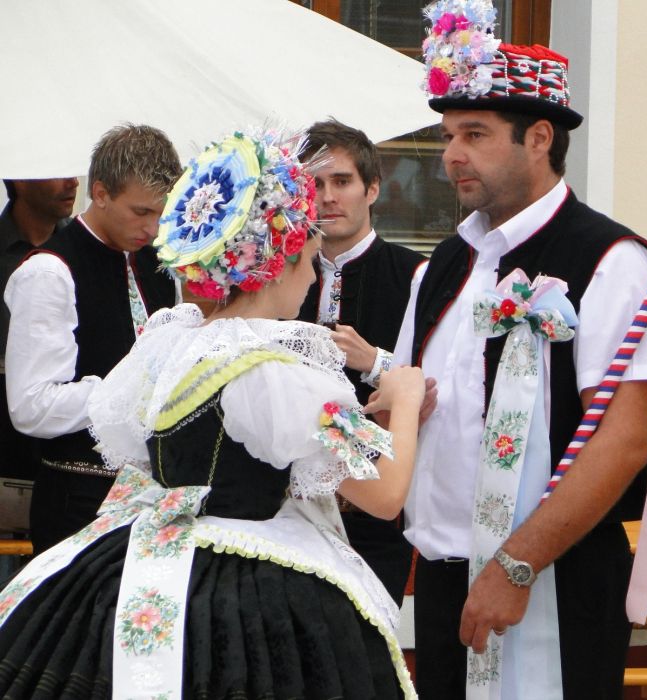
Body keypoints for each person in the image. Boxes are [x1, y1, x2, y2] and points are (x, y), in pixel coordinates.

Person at [0, 129, 424, 699]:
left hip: (151, 562)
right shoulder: (277, 371)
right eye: (309, 259)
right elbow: (385, 494)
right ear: (281, 263)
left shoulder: (167, 344)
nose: (312, 275)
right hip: (257, 586)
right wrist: (406, 397)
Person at [394, 3, 647, 697]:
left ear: (539, 137)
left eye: (475, 134)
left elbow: (624, 439)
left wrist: (516, 564)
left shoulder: (610, 260)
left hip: (553, 579)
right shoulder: (443, 266)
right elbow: (405, 402)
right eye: (448, 135)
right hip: (445, 578)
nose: (451, 154)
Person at [4, 124, 181, 554]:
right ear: (99, 193)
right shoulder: (49, 272)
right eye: (140, 211)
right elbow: (31, 406)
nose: (152, 228)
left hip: (155, 501)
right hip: (77, 500)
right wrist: (131, 391)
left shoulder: (160, 263)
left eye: (161, 213)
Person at [297, 119, 427, 606]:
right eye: (316, 184)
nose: (328, 197)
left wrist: (374, 362)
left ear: (372, 188)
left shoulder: (416, 274)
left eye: (342, 181)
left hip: (377, 511)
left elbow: (440, 380)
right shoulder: (282, 276)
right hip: (291, 510)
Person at [0, 178, 78, 489]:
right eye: (57, 173)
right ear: (20, 180)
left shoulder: (82, 251)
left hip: (69, 444)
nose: (72, 182)